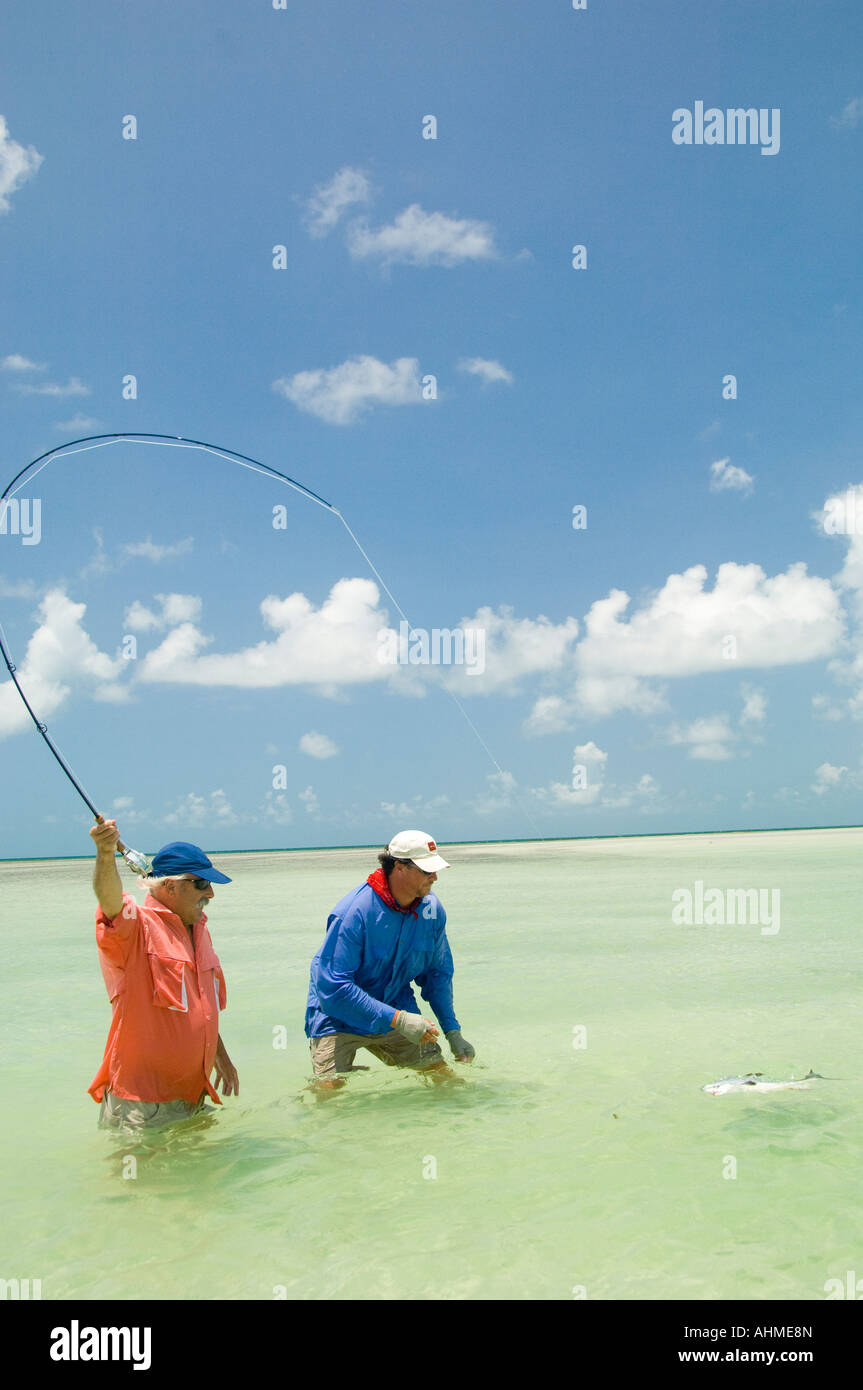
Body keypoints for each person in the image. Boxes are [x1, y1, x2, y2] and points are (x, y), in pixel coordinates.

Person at [87, 820, 239, 1131]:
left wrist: (218, 1054)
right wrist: (105, 853)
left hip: (193, 1097)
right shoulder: (135, 929)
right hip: (143, 1106)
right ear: (170, 886)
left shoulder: (199, 930)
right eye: (200, 884)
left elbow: (196, 1004)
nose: (210, 892)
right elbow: (110, 901)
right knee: (140, 1182)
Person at [305, 830, 475, 1093]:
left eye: (435, 869)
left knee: (448, 1084)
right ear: (399, 867)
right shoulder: (354, 913)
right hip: (338, 1016)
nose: (435, 877)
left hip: (397, 1006)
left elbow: (437, 975)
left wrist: (453, 1032)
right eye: (426, 870)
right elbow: (333, 988)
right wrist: (400, 1020)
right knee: (327, 1095)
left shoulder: (432, 910)